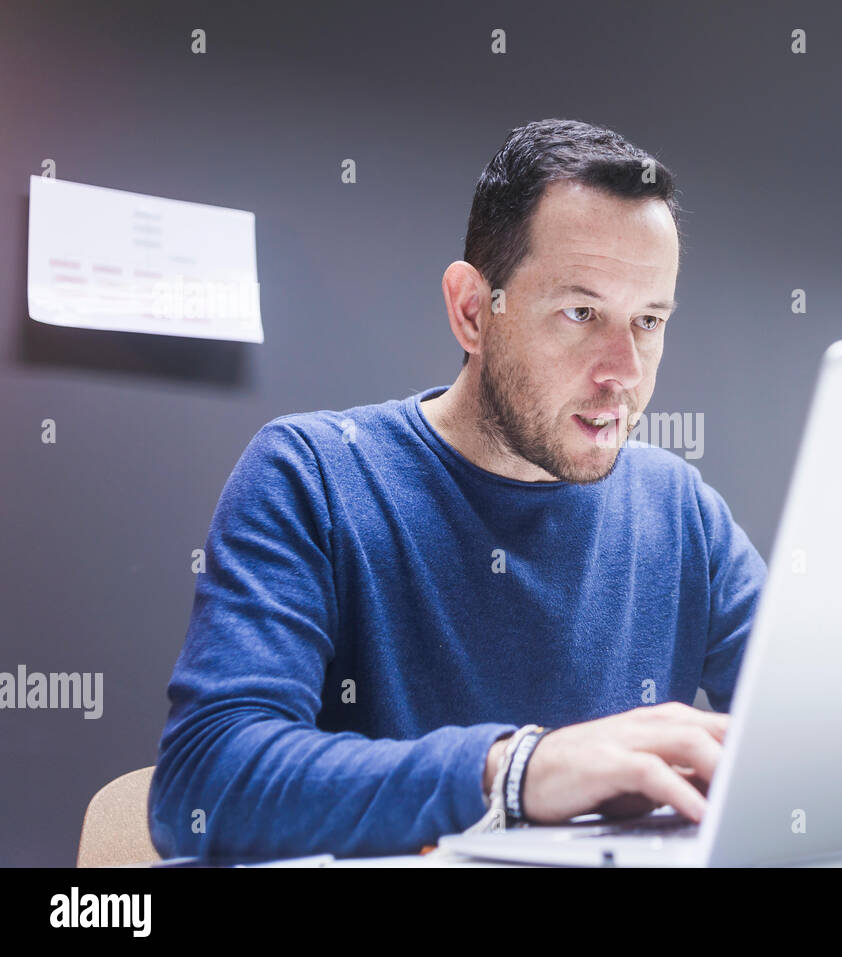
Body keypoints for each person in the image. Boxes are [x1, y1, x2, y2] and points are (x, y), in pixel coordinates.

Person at [147, 118, 768, 861]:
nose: (624, 371)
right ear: (474, 310)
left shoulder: (682, 510)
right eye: (581, 312)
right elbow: (205, 781)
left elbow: (810, 733)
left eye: (649, 320)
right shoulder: (311, 474)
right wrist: (515, 771)